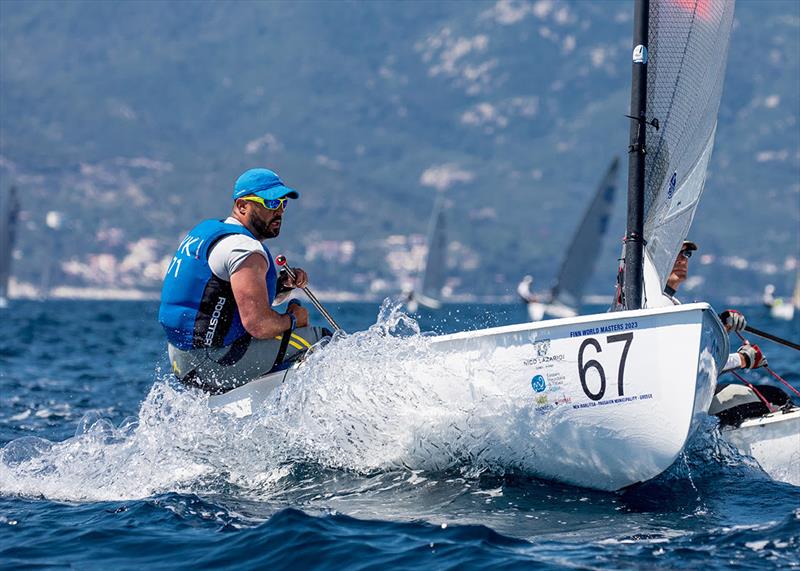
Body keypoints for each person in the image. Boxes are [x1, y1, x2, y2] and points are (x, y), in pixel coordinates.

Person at [158, 167, 331, 394]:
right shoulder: (244, 249)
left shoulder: (214, 234)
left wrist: (281, 286)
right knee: (323, 341)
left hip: (182, 362)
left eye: (282, 204)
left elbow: (223, 300)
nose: (278, 211)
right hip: (214, 364)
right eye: (270, 203)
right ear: (242, 206)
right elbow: (259, 325)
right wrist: (293, 319)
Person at [656, 240, 766, 372]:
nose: (682, 260)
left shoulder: (671, 302)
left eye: (686, 254)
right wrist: (744, 359)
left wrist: (722, 325)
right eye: (675, 254)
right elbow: (691, 366)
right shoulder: (660, 304)